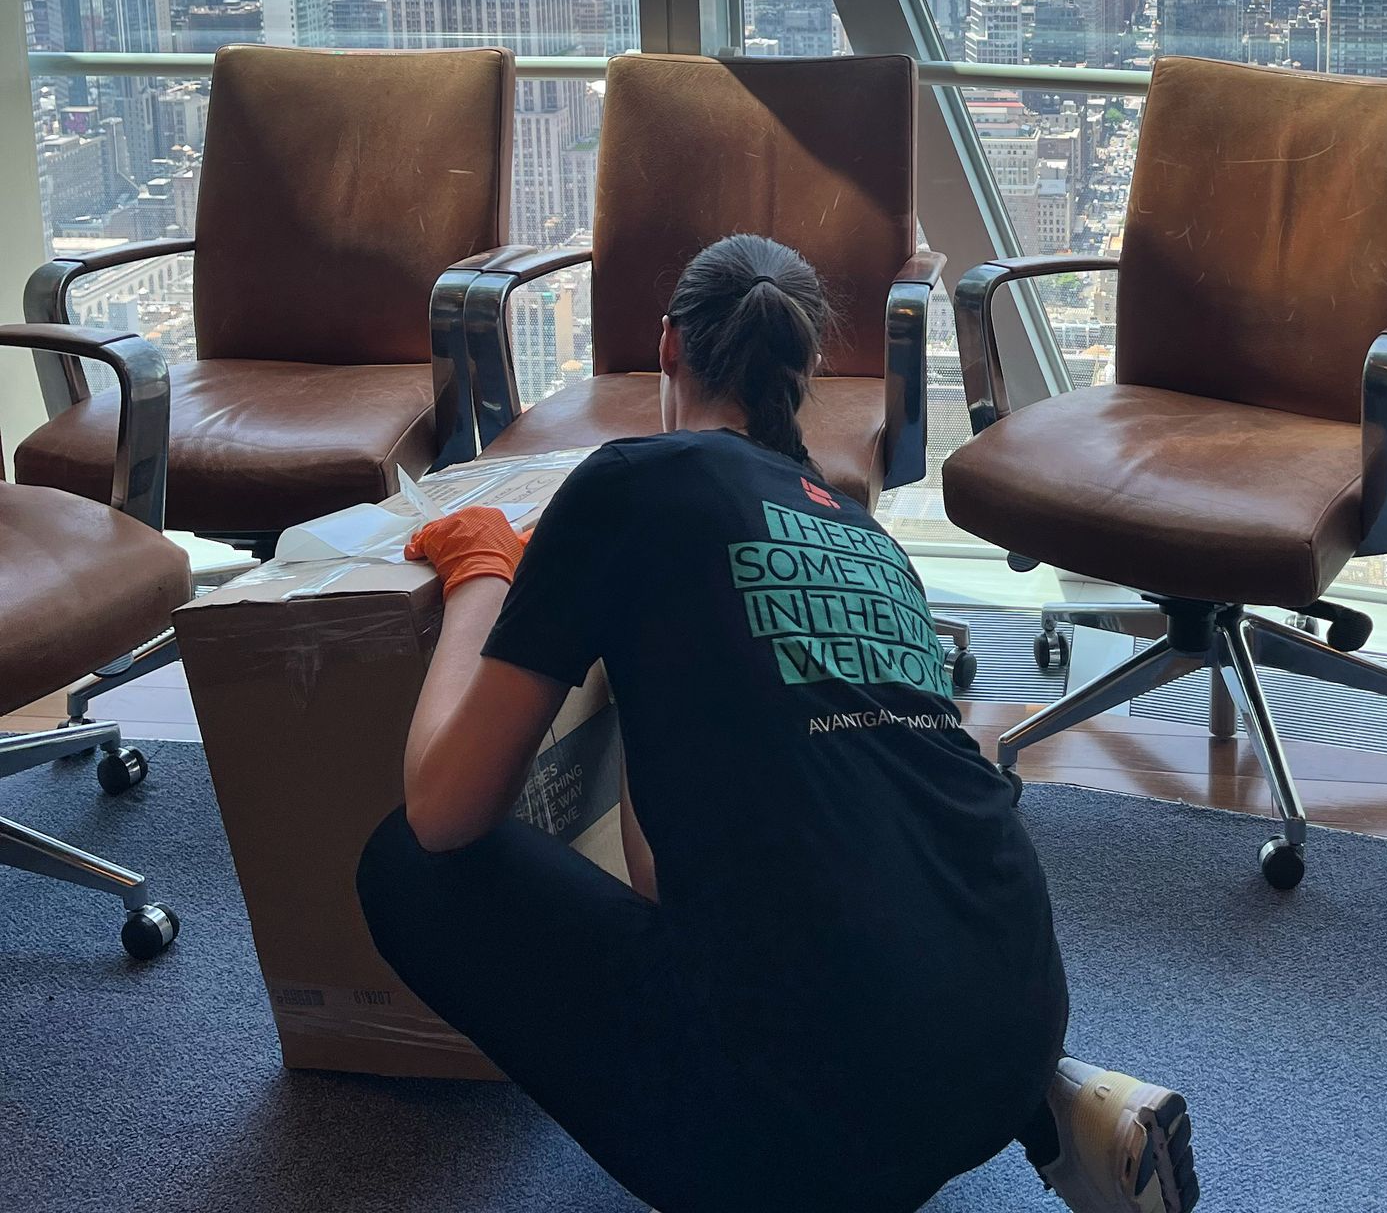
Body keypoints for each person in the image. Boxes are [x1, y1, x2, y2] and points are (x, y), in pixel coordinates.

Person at [357, 231, 1199, 1213]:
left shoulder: (631, 482)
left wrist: (481, 573)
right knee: (842, 883)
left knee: (404, 866)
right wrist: (653, 667)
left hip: (801, 1154)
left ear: (669, 348)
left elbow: (445, 810)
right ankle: (1053, 1108)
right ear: (799, 379)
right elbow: (667, 876)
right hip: (1022, 1024)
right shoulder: (864, 533)